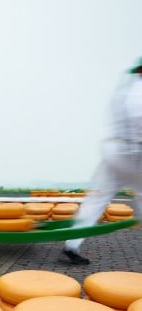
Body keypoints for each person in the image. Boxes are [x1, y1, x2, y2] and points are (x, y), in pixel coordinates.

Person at [62, 57, 142, 265]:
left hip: (112, 152)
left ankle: (72, 244)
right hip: (132, 155)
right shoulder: (139, 93)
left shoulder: (125, 90)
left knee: (95, 200)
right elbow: (138, 128)